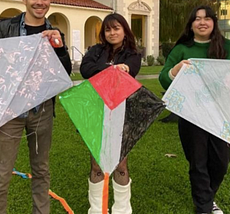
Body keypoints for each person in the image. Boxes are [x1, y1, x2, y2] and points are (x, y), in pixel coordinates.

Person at [159, 5, 230, 214]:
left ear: (214, 22)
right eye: (197, 19)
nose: (202, 22)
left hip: (222, 115)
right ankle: (203, 206)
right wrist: (174, 72)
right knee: (198, 161)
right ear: (191, 24)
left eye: (207, 18)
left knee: (220, 162)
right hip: (192, 115)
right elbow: (164, 79)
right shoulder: (182, 49)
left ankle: (207, 197)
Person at [0, 0, 72, 213]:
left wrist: (59, 48)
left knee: (41, 171)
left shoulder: (54, 32)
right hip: (8, 112)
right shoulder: (4, 28)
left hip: (42, 113)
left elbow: (64, 72)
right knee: (1, 174)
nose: (39, 2)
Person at [80, 13, 141, 214]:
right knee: (96, 162)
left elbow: (131, 70)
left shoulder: (132, 53)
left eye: (116, 28)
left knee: (120, 163)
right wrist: (112, 68)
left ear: (124, 31)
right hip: (97, 111)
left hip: (122, 112)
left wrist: (107, 69)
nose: (112, 32)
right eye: (108, 29)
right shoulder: (96, 50)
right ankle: (96, 209)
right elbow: (85, 69)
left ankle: (122, 209)